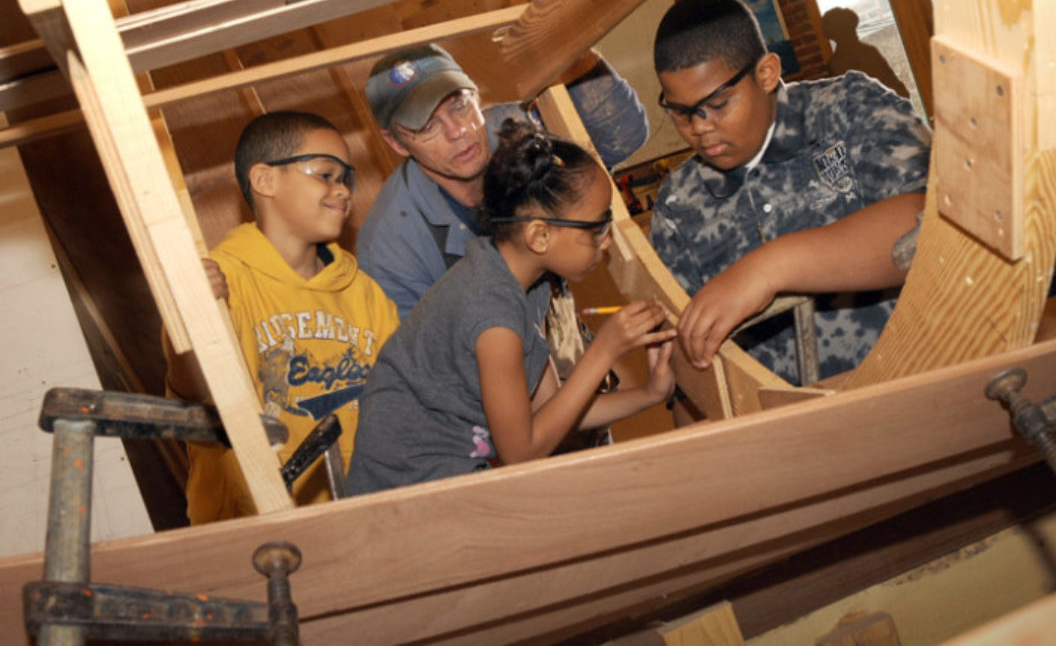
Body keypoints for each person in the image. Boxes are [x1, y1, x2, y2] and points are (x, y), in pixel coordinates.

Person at [347, 121, 676, 492]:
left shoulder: (525, 284)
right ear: (539, 235)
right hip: (403, 492)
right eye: (596, 228)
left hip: (445, 479)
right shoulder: (493, 316)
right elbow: (522, 452)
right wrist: (604, 350)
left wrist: (651, 394)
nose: (606, 241)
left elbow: (549, 413)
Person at [648, 0, 930, 412]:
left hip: (917, 393)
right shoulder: (679, 205)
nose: (699, 129)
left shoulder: (847, 109)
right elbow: (694, 380)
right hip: (792, 441)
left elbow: (929, 227)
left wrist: (769, 268)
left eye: (717, 105)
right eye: (681, 112)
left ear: (766, 73)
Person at [166, 111, 400, 523]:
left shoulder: (364, 292)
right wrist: (189, 316)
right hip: (257, 532)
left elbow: (399, 403)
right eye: (325, 174)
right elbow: (192, 388)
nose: (342, 191)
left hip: (365, 512)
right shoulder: (220, 282)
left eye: (346, 178)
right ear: (265, 180)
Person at [357, 44, 648, 318]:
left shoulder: (516, 132)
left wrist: (572, 49)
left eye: (459, 105)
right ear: (396, 143)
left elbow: (623, 138)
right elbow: (428, 362)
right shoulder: (390, 250)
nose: (457, 131)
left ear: (476, 95)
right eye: (428, 126)